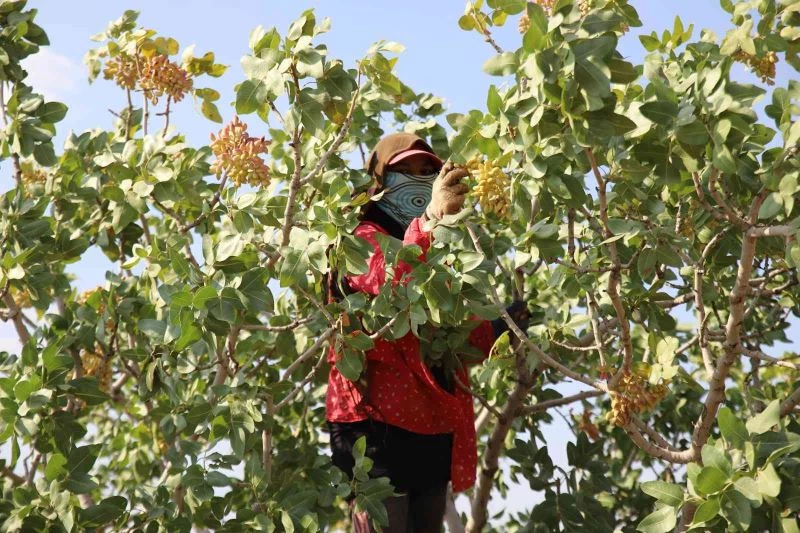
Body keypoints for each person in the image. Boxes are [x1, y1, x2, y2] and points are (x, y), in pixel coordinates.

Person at [325, 132, 519, 532]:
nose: (417, 179)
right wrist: (429, 219)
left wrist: (503, 329)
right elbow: (394, 284)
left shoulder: (445, 252)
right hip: (372, 423)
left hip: (431, 423)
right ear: (379, 181)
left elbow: (453, 336)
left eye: (426, 170)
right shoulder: (358, 240)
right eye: (405, 171)